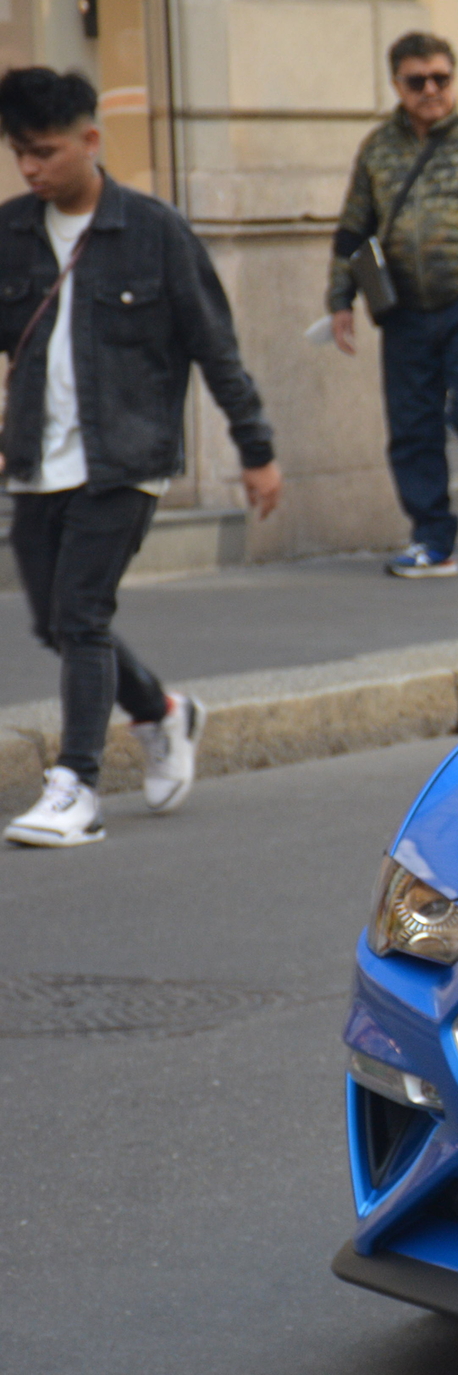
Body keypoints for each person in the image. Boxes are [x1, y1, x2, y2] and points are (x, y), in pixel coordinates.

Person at [0, 67, 281, 848]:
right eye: (19, 153)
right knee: (55, 622)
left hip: (126, 457)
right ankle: (162, 712)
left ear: (91, 140)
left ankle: (75, 786)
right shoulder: (12, 231)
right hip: (35, 461)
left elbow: (215, 347)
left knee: (83, 613)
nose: (30, 168)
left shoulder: (153, 230)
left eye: (45, 151)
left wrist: (256, 450)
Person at [328, 31, 458, 579]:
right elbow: (352, 231)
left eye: (441, 78)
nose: (430, 90)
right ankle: (433, 540)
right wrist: (341, 299)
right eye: (417, 81)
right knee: (413, 430)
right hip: (403, 314)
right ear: (397, 83)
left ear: (453, 78)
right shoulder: (378, 148)